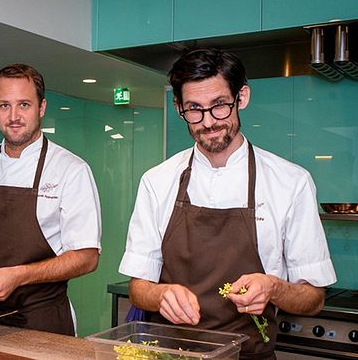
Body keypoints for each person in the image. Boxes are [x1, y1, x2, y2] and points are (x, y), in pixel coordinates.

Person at [119, 49, 336, 359]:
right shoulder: (158, 181)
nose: (208, 122)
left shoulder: (290, 182)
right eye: (194, 109)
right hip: (170, 355)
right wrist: (160, 294)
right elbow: (138, 286)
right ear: (179, 106)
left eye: (219, 105)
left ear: (241, 97)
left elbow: (313, 298)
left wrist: (273, 288)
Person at [0, 63, 102, 336]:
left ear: (41, 108)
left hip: (43, 321)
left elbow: (87, 257)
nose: (14, 116)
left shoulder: (71, 169)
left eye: (24, 105)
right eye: (4, 105)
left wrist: (19, 276)